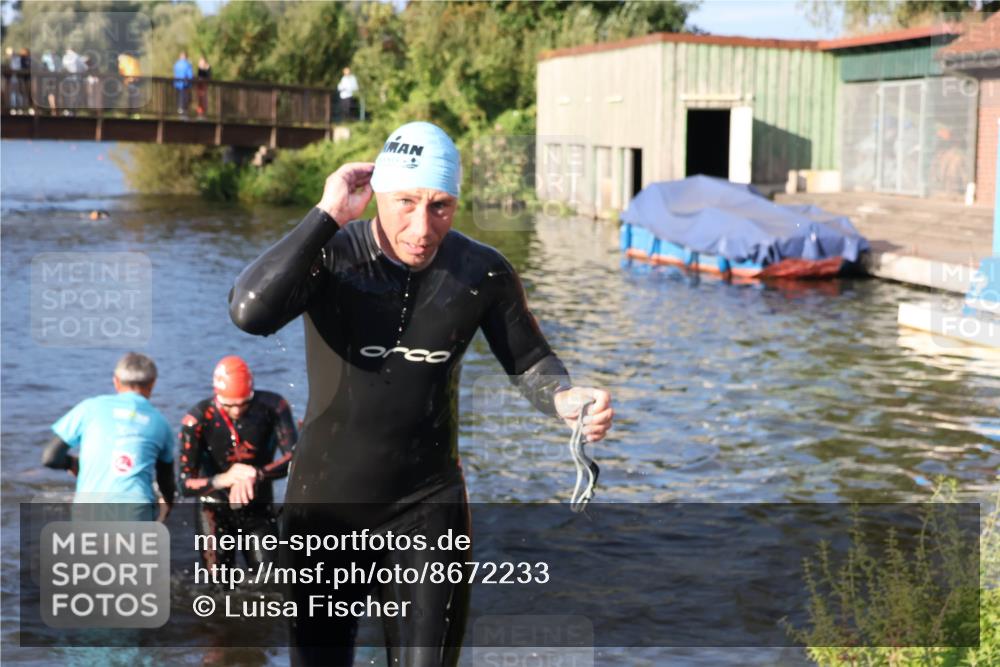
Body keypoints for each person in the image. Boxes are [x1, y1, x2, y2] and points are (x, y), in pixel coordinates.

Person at [229, 121, 614, 666]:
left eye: (440, 206)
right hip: (326, 507)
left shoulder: (481, 273)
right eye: (405, 202)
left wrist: (563, 398)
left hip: (427, 507)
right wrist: (327, 214)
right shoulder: (333, 255)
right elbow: (250, 312)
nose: (422, 227)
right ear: (377, 194)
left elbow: (529, 360)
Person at [178, 355, 298, 570]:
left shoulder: (273, 407)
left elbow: (296, 460)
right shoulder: (197, 419)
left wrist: (256, 474)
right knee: (219, 584)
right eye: (229, 405)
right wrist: (224, 479)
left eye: (244, 404)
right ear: (217, 396)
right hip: (213, 510)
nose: (236, 411)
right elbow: (184, 484)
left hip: (258, 507)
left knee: (270, 578)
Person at [42, 352, 175, 522]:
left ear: (116, 381)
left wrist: (72, 463)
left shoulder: (89, 408)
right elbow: (166, 480)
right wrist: (166, 508)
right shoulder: (160, 423)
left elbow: (50, 458)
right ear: (152, 383)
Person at [173, 50, 193, 116]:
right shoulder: (187, 64)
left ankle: (179, 109)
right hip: (185, 84)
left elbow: (175, 73)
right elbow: (190, 75)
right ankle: (184, 110)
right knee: (185, 98)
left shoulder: (176, 64)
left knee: (179, 97)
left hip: (177, 84)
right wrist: (190, 83)